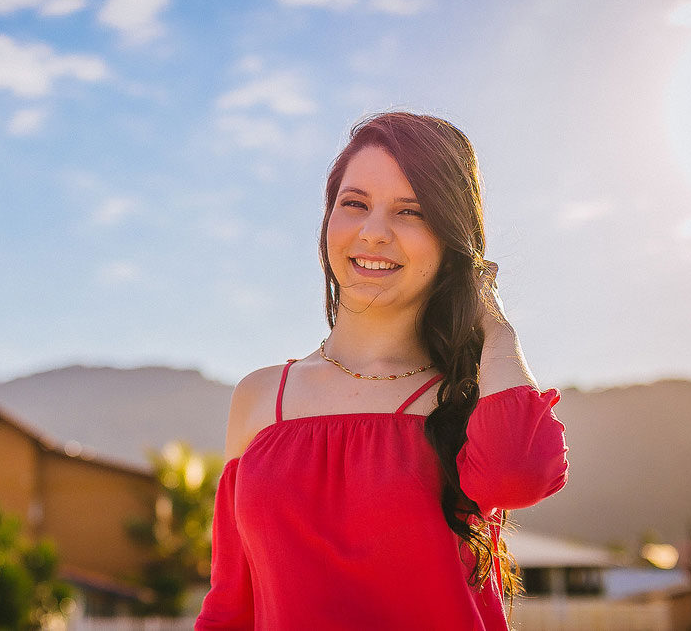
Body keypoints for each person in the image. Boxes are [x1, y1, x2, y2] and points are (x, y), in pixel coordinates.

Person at [195, 111, 569, 630]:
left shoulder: (468, 399)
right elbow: (230, 605)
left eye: (410, 211)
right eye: (355, 204)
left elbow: (518, 476)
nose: (374, 232)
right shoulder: (260, 397)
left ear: (451, 239)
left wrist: (495, 321)